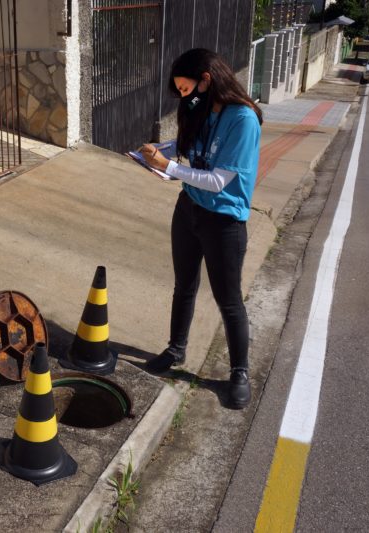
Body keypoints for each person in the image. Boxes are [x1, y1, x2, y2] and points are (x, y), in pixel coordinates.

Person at [139, 48, 262, 409]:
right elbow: (190, 145)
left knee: (229, 300)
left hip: (223, 220)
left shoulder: (243, 119)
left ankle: (239, 371)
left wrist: (169, 167)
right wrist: (159, 152)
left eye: (185, 88)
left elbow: (219, 180)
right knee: (184, 285)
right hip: (189, 209)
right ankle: (176, 349)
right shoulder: (204, 109)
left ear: (206, 80)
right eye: (178, 91)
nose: (183, 96)